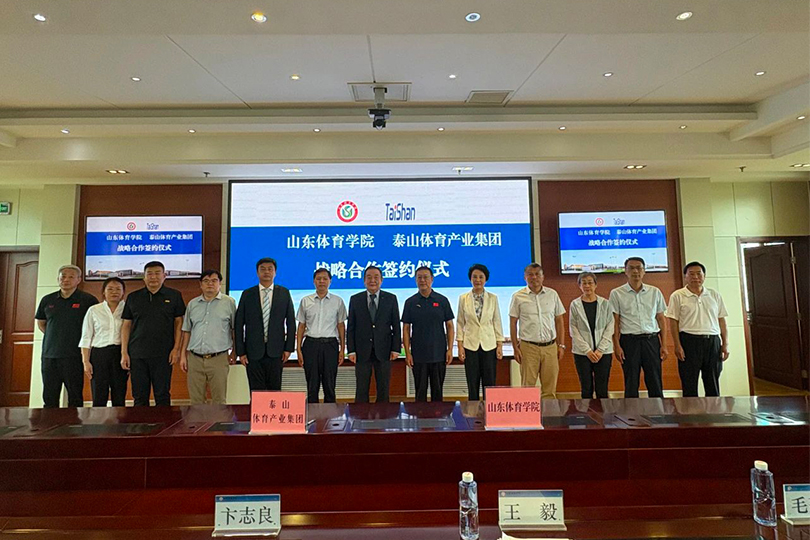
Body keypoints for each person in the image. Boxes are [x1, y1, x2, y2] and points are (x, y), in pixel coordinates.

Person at [121, 261, 185, 406]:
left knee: (162, 395)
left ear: (164, 276)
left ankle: (163, 422)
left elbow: (179, 323)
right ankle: (141, 421)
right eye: (149, 273)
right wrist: (124, 352)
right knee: (139, 396)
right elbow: (126, 325)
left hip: (164, 354)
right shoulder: (133, 297)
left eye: (157, 273)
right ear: (144, 277)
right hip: (137, 354)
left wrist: (176, 349)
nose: (153, 277)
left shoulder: (174, 295)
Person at [35, 264, 98, 408]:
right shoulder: (47, 300)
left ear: (78, 280)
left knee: (75, 397)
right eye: (63, 276)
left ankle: (74, 423)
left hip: (74, 356)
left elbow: (94, 327)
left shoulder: (88, 300)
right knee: (49, 397)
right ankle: (50, 422)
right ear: (58, 279)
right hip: (50, 355)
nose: (66, 280)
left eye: (71, 277)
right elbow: (42, 324)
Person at [666, 261, 729, 397]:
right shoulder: (677, 295)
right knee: (689, 383)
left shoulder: (714, 295)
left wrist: (725, 344)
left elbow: (721, 320)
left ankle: (713, 410)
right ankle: (690, 411)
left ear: (704, 276)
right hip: (689, 342)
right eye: (691, 274)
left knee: (712, 383)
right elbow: (673, 322)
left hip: (712, 342)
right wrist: (677, 345)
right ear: (685, 277)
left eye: (699, 274)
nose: (695, 277)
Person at [609, 257, 668, 398]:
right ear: (625, 271)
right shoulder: (616, 293)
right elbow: (615, 322)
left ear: (644, 271)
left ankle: (658, 410)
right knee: (631, 381)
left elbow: (661, 319)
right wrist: (616, 346)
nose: (635, 271)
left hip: (651, 340)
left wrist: (664, 345)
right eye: (631, 268)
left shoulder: (655, 292)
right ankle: (630, 412)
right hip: (629, 342)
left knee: (655, 380)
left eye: (639, 268)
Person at [234, 258, 296, 393]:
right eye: (263, 269)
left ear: (275, 272)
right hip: (253, 352)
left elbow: (291, 322)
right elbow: (239, 324)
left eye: (270, 269)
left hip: (276, 351)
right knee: (256, 392)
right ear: (257, 272)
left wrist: (288, 348)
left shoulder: (284, 293)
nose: (266, 272)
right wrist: (241, 351)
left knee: (275, 391)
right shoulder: (247, 294)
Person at [509, 263, 566, 398]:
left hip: (550, 347)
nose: (534, 277)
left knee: (549, 390)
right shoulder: (518, 296)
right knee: (527, 389)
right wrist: (515, 348)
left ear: (543, 277)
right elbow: (513, 323)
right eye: (530, 274)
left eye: (537, 274)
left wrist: (561, 345)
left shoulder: (552, 294)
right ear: (525, 277)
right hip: (528, 348)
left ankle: (549, 412)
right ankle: (528, 412)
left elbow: (559, 320)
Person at [179, 270, 236, 405]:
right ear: (200, 284)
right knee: (196, 401)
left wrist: (235, 351)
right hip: (195, 359)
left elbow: (234, 329)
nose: (210, 284)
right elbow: (187, 331)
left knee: (219, 400)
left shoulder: (229, 302)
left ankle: (218, 421)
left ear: (220, 284)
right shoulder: (193, 304)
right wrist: (183, 356)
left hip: (218, 358)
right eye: (206, 281)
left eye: (214, 281)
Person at [347, 266, 401, 403]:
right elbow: (351, 327)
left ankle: (383, 416)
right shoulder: (355, 299)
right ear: (364, 280)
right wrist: (351, 350)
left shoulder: (391, 298)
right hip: (361, 350)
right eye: (369, 277)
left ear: (381, 280)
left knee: (383, 388)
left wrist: (396, 349)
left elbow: (396, 325)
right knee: (361, 389)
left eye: (376, 277)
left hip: (384, 349)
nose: (372, 280)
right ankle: (360, 415)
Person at [401, 266, 454, 402]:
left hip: (438, 354)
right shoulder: (410, 302)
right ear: (415, 280)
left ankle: (438, 416)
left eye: (426, 277)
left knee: (438, 392)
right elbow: (406, 328)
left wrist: (450, 349)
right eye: (419, 277)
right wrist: (407, 353)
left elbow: (449, 326)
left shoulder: (442, 300)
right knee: (420, 392)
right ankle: (420, 416)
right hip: (418, 355)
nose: (422, 280)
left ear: (432, 279)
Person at [296, 268, 347, 403]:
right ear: (314, 281)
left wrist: (342, 349)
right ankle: (312, 414)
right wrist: (298, 349)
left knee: (329, 385)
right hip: (310, 345)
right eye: (318, 279)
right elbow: (301, 326)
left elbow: (341, 326)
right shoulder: (305, 301)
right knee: (312, 385)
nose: (322, 281)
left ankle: (330, 415)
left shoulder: (338, 301)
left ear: (330, 281)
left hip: (330, 345)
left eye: (325, 279)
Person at [456, 264, 504, 401]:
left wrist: (499, 344)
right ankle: (473, 412)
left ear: (486, 279)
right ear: (470, 279)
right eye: (475, 277)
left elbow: (497, 321)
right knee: (472, 383)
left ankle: (489, 410)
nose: (478, 280)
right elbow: (460, 322)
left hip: (489, 345)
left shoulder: (493, 298)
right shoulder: (463, 298)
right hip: (470, 345)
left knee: (489, 383)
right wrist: (460, 346)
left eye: (481, 277)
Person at [79, 277, 128, 406]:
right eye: (110, 289)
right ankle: (98, 419)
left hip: (120, 354)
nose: (114, 292)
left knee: (119, 394)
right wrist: (85, 361)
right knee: (99, 394)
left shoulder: (128, 309)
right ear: (103, 292)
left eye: (118, 289)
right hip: (99, 355)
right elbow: (86, 336)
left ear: (123, 292)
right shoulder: (94, 310)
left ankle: (120, 419)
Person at [569, 272, 614, 399]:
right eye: (584, 283)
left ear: (595, 285)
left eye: (590, 283)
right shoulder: (575, 304)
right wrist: (587, 351)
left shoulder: (605, 303)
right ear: (579, 286)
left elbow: (610, 327)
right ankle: (587, 412)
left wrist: (600, 350)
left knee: (602, 388)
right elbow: (573, 329)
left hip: (603, 353)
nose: (587, 286)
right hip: (582, 353)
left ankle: (602, 412)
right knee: (586, 388)